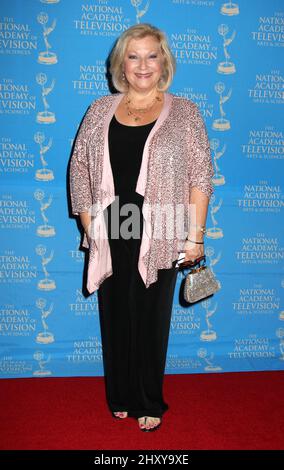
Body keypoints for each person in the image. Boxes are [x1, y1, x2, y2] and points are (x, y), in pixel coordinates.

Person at [69, 23, 214, 432]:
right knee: (114, 313)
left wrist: (195, 235)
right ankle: (120, 394)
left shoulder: (185, 111)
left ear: (164, 62)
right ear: (121, 64)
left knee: (150, 316)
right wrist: (89, 223)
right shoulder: (100, 109)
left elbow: (200, 177)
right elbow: (79, 167)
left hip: (164, 228)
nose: (143, 65)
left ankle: (148, 399)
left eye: (152, 55)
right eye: (133, 56)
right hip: (111, 224)